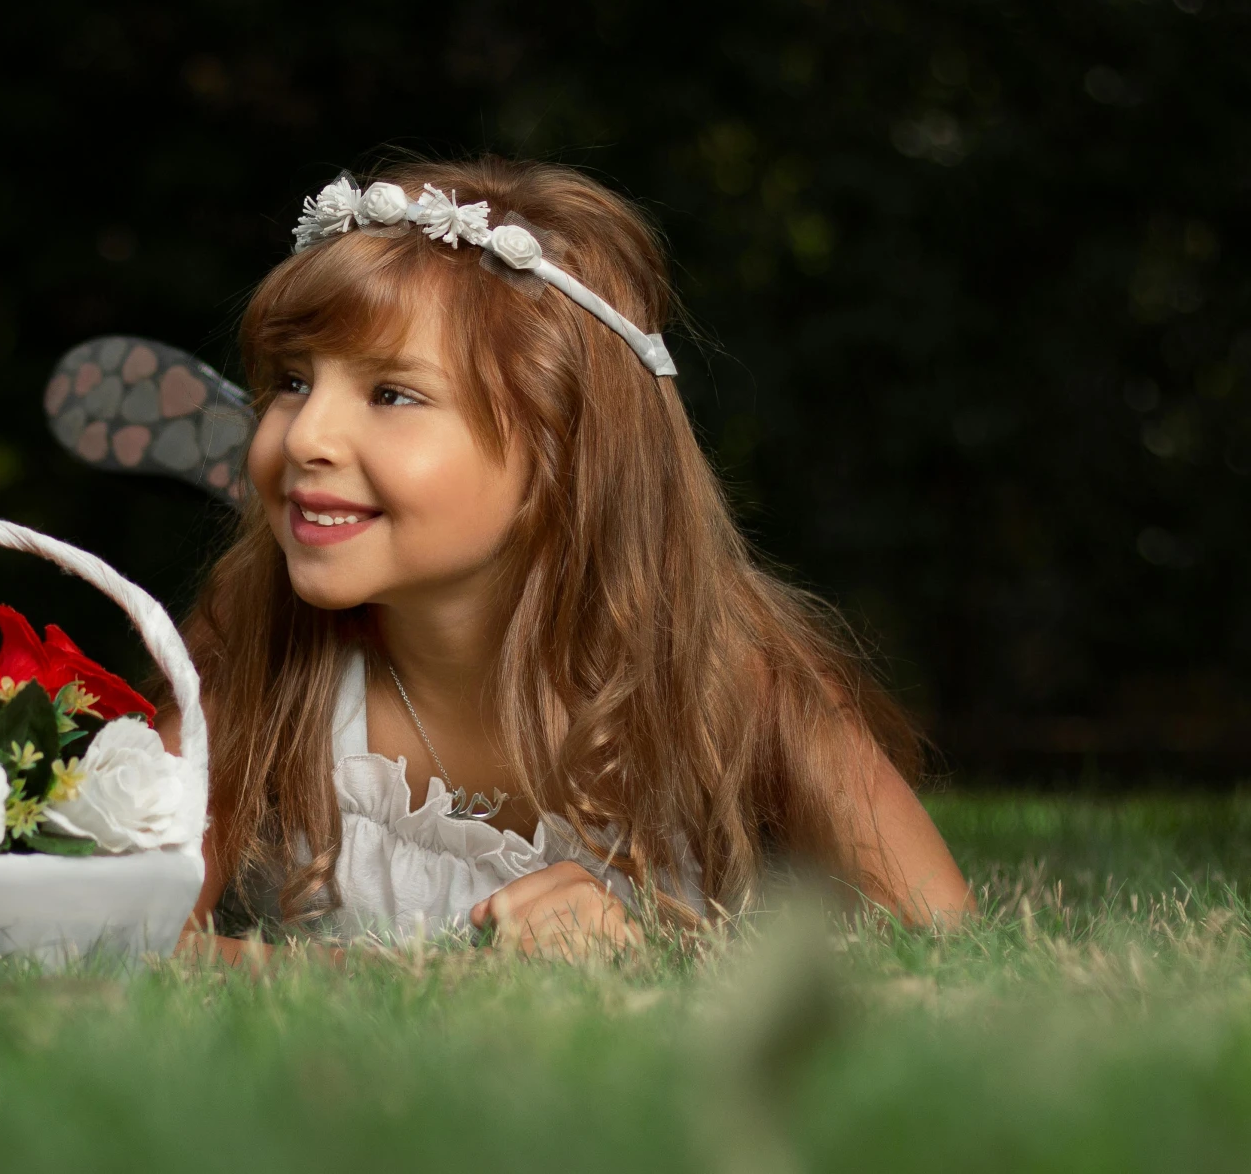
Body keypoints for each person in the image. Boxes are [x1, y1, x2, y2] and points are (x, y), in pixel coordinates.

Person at [162, 156, 972, 957]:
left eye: (393, 394)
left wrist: (655, 965)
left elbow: (951, 946)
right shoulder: (254, 645)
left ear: (561, 450)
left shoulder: (729, 679)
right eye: (293, 382)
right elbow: (119, 937)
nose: (303, 436)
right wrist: (426, 979)